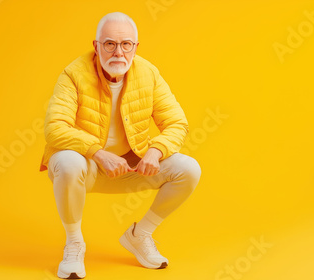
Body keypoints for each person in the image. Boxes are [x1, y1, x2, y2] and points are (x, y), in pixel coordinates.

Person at [39, 12, 202, 279]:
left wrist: (155, 150)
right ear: (96, 46)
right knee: (67, 162)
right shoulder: (73, 74)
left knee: (188, 168)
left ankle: (141, 235)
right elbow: (54, 128)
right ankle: (74, 243)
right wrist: (98, 154)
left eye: (126, 44)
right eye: (110, 44)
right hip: (87, 169)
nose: (118, 52)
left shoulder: (149, 73)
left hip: (131, 167)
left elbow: (177, 123)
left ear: (136, 47)